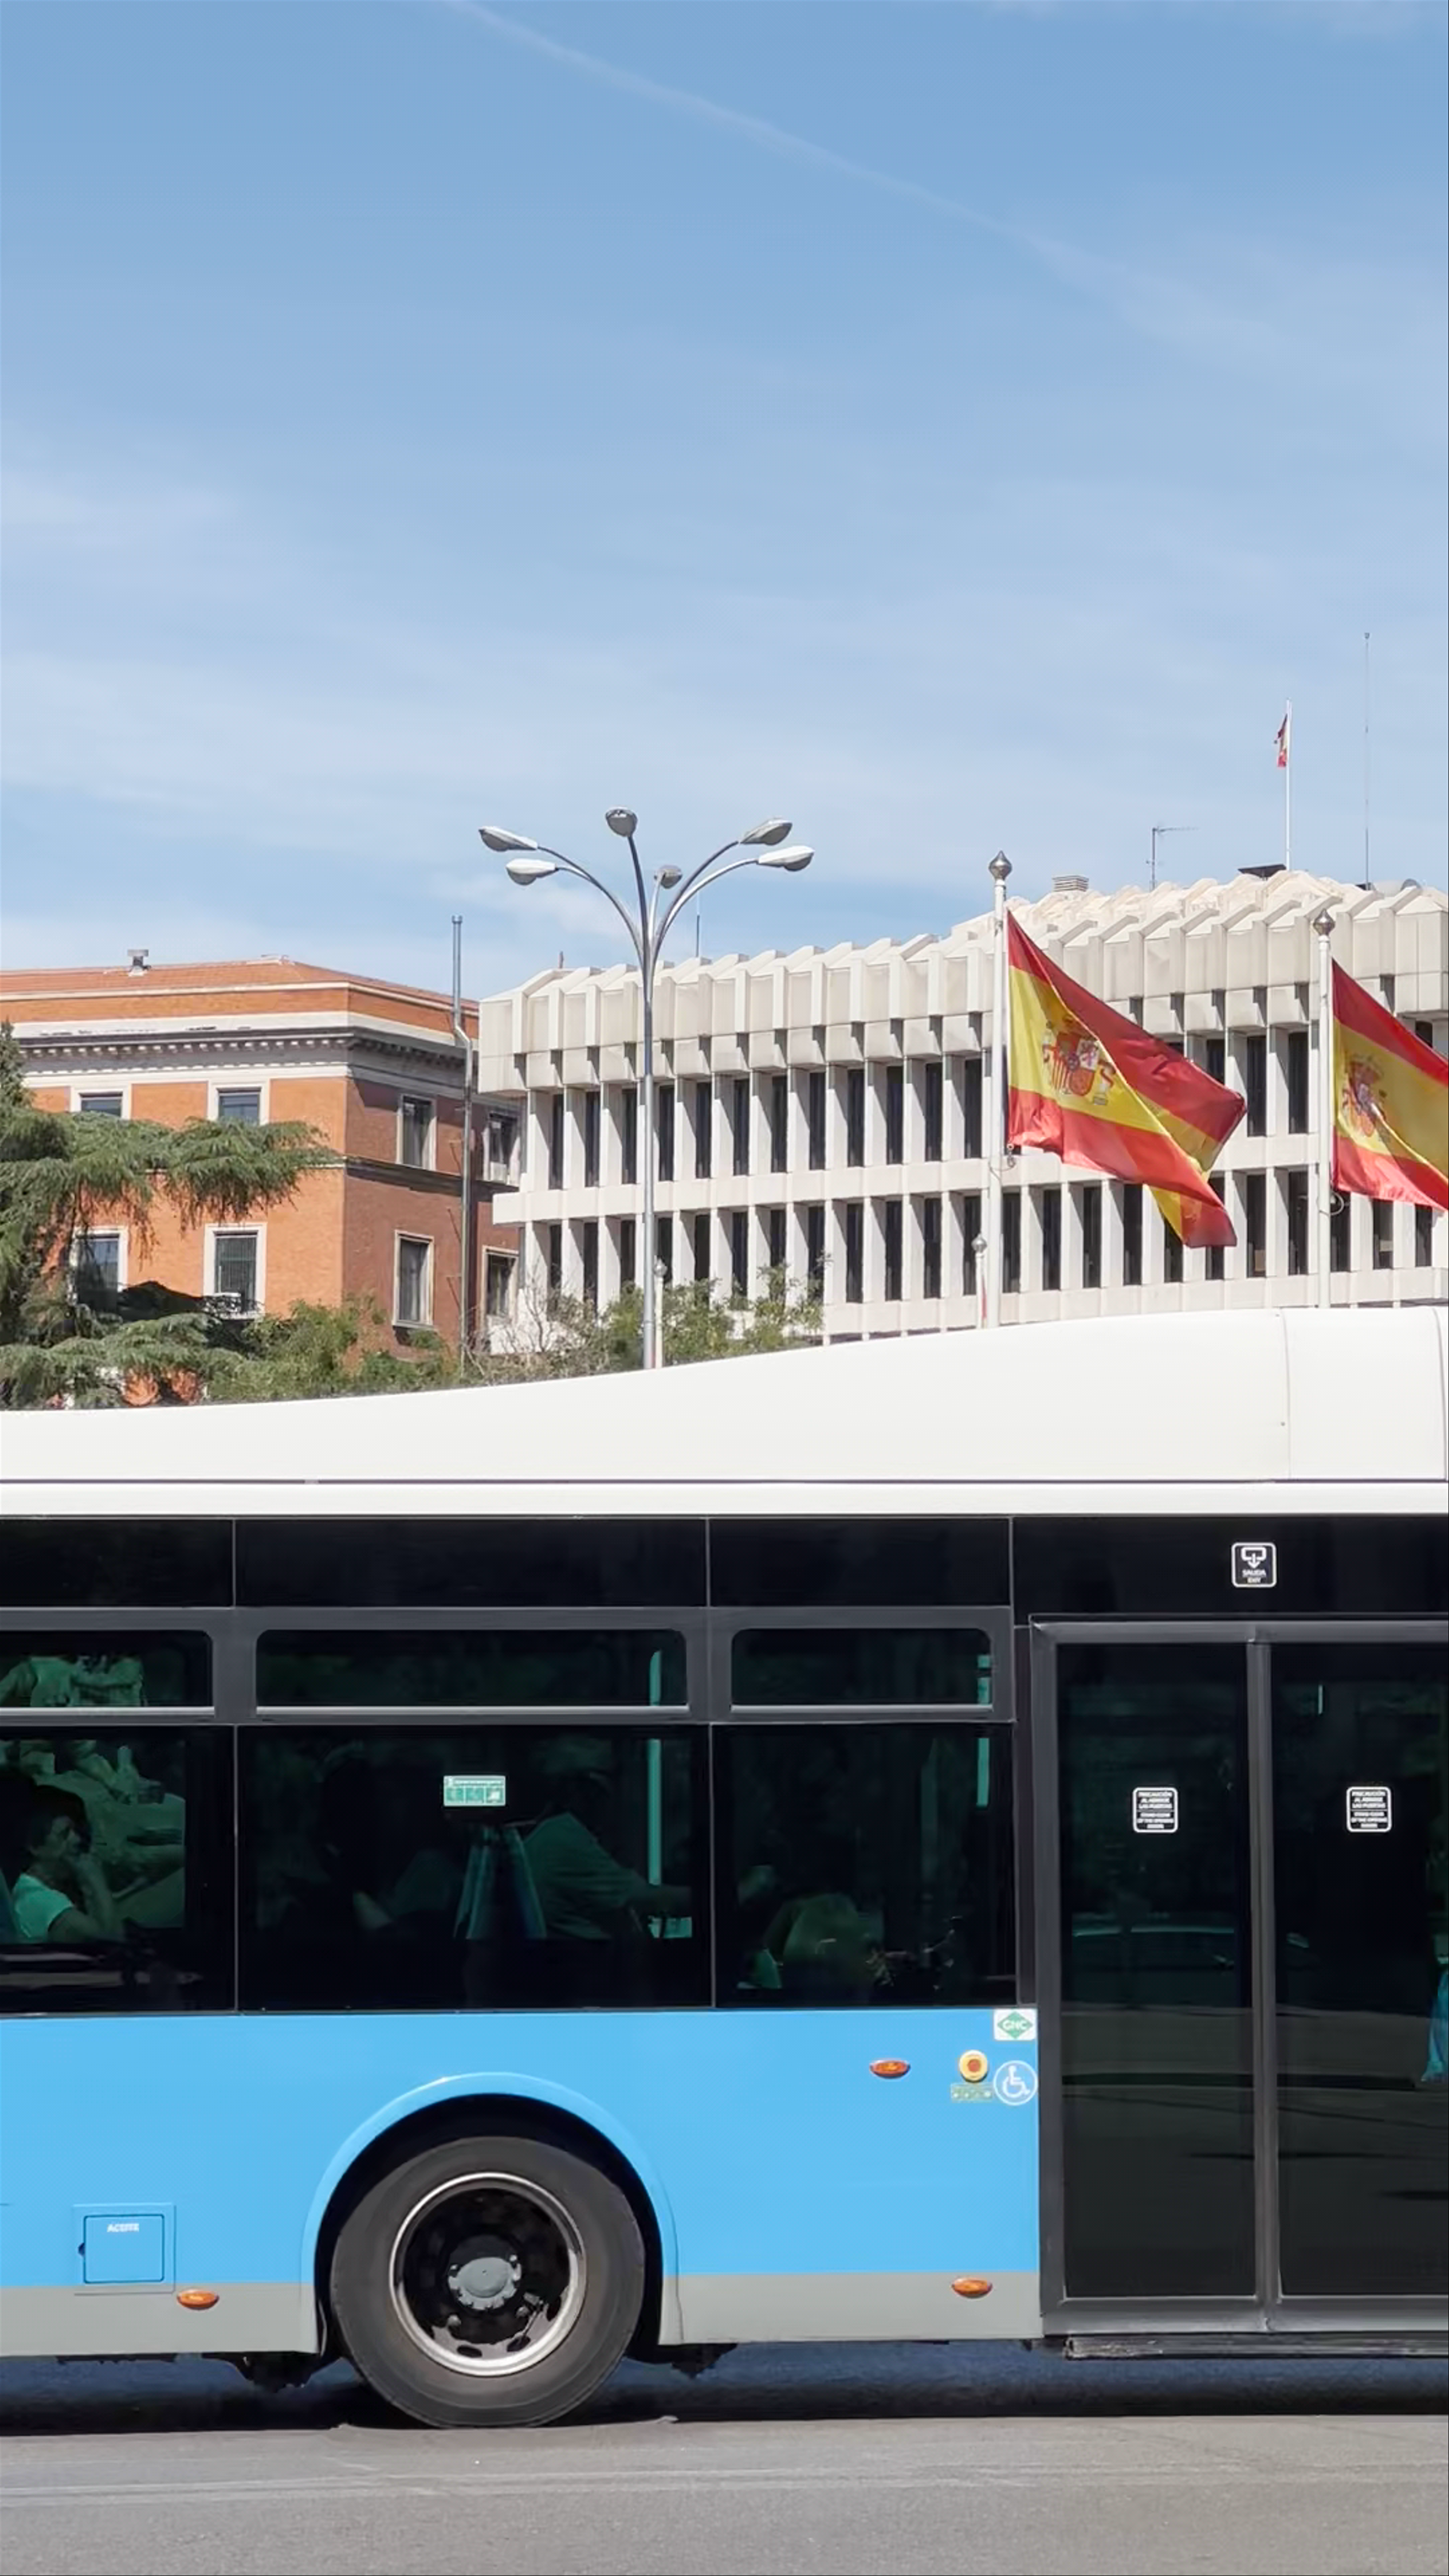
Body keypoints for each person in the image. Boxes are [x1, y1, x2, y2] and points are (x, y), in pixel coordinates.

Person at [0, 1781, 123, 1944]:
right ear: (36, 1847)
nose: (76, 1840)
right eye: (64, 1835)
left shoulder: (34, 1893)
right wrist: (95, 1879)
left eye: (75, 1832)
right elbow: (112, 1944)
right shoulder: (40, 1900)